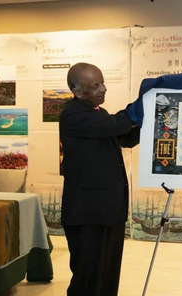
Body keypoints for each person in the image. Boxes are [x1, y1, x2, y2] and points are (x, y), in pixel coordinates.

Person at [59, 63, 140, 296]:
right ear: (77, 91)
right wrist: (142, 106)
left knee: (108, 271)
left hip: (107, 210)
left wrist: (152, 123)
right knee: (88, 276)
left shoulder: (98, 113)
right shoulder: (73, 114)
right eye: (96, 85)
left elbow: (124, 137)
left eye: (103, 82)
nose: (103, 89)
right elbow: (116, 124)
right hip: (88, 212)